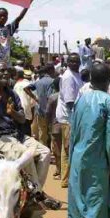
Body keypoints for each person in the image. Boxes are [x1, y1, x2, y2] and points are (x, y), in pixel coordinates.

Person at [0, 62, 60, 209]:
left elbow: (23, 119)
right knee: (25, 153)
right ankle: (37, 193)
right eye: (2, 71)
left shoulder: (12, 94)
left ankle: (33, 190)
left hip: (16, 136)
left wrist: (13, 112)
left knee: (45, 152)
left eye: (7, 71)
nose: (5, 73)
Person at [67, 62, 110, 218]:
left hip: (78, 159)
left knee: (82, 205)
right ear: (109, 80)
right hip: (97, 163)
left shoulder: (81, 100)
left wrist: (70, 161)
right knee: (95, 206)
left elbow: (73, 133)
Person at [56, 53, 84, 188]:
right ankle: (66, 180)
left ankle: (67, 178)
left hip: (73, 117)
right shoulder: (68, 77)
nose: (75, 63)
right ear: (67, 63)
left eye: (77, 61)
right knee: (68, 149)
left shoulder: (76, 74)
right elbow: (70, 102)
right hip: (69, 117)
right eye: (72, 61)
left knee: (68, 148)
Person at [0, 0, 35, 67]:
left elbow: (19, 18)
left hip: (5, 64)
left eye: (5, 16)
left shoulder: (9, 29)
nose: (2, 17)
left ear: (7, 17)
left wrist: (29, 2)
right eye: (0, 15)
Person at [25, 64, 55, 147]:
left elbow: (26, 88)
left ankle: (44, 151)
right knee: (52, 133)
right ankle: (52, 152)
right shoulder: (53, 81)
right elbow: (50, 96)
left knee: (42, 132)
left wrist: (35, 98)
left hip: (40, 110)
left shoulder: (38, 82)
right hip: (51, 112)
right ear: (51, 70)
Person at [46, 77, 61, 179]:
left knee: (56, 150)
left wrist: (48, 125)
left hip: (55, 126)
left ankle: (59, 169)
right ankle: (61, 170)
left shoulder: (52, 97)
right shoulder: (69, 96)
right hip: (67, 126)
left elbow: (47, 112)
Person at [13, 69, 35, 136]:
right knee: (27, 134)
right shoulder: (29, 84)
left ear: (17, 76)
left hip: (18, 113)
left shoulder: (16, 86)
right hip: (27, 112)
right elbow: (32, 102)